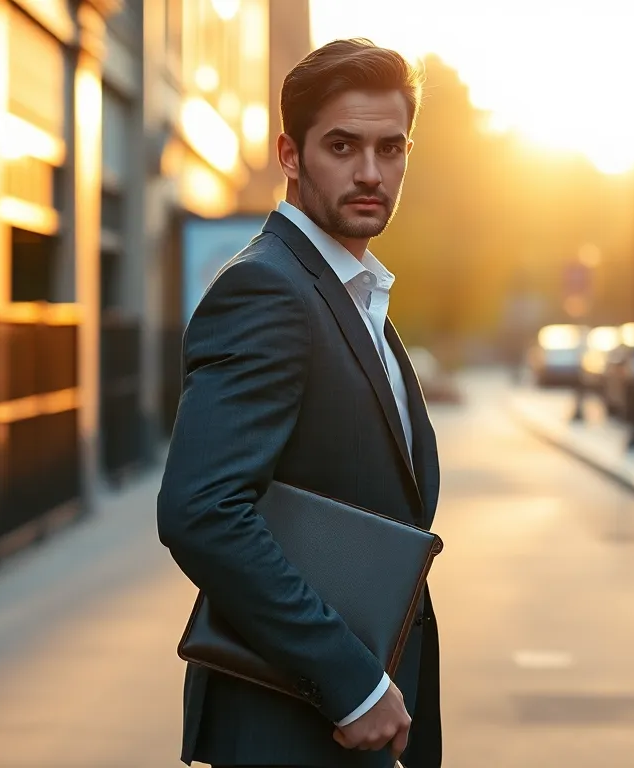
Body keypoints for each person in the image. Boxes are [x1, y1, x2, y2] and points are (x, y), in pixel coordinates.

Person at [157, 38, 442, 768]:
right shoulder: (269, 291)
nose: (371, 172)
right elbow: (201, 510)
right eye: (342, 146)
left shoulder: (350, 293)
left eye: (391, 147)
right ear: (290, 153)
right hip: (292, 723)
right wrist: (350, 682)